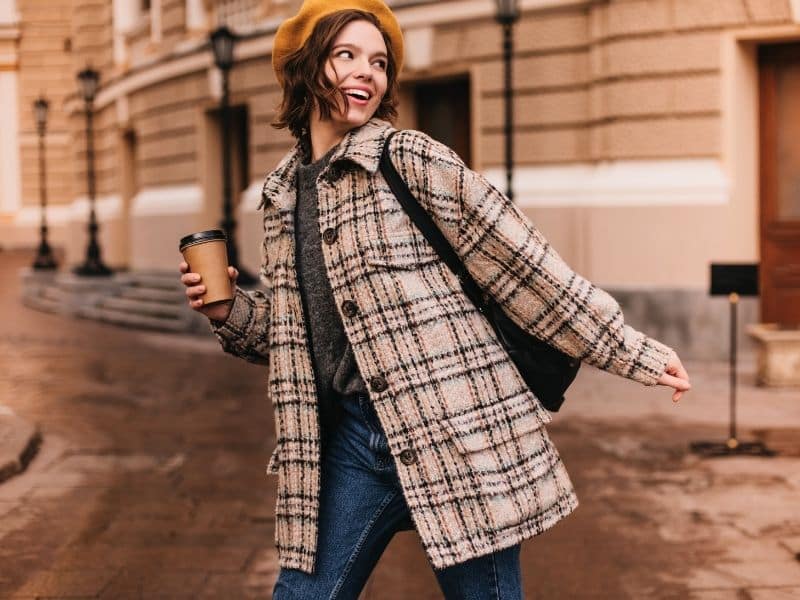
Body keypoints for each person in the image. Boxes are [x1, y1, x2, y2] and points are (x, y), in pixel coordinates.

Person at [179, 0, 692, 597]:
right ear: (305, 68)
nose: (365, 72)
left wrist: (634, 353)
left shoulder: (411, 160)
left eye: (378, 61)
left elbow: (525, 266)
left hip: (454, 435)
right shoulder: (284, 197)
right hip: (352, 444)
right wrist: (229, 311)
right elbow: (300, 336)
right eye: (345, 54)